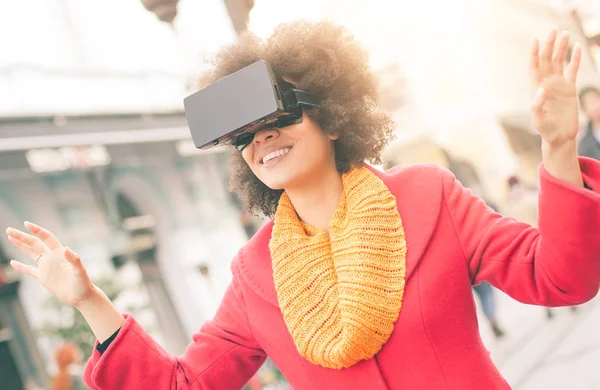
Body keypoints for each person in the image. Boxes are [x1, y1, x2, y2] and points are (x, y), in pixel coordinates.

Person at [5, 23, 600, 389]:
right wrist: (89, 300)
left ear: (333, 116)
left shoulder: (428, 194)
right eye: (245, 135)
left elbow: (562, 278)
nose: (262, 140)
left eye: (279, 118)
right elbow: (184, 386)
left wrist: (555, 145)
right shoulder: (254, 271)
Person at [577, 85, 600, 160]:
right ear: (584, 109)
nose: (595, 106)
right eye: (590, 103)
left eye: (596, 100)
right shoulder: (585, 143)